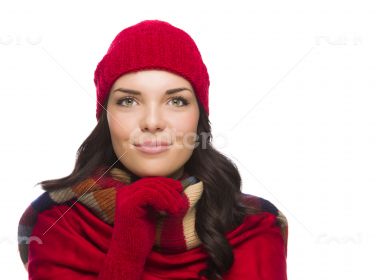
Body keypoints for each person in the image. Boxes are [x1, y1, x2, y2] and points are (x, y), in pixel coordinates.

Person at [17, 19, 288, 280]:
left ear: (199, 116)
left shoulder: (254, 224)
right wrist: (129, 244)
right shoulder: (56, 220)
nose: (152, 122)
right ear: (105, 116)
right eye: (128, 101)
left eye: (177, 101)